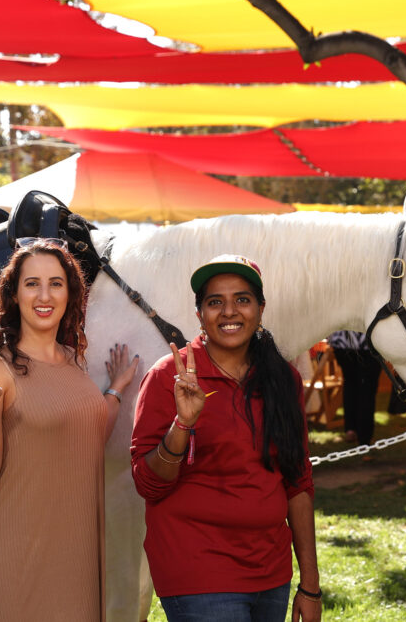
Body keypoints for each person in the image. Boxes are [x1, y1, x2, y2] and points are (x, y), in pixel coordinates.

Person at [131, 254, 322, 622]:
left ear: (261, 309)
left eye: (242, 299)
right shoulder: (169, 377)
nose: (229, 311)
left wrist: (310, 584)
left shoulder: (284, 379)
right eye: (215, 302)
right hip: (198, 570)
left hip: (271, 571)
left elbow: (298, 482)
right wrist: (182, 425)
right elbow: (149, 484)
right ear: (199, 313)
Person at [0, 238, 140, 621]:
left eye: (56, 283)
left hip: (75, 555)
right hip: (15, 554)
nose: (45, 295)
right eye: (31, 283)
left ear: (71, 293)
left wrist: (115, 390)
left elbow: (84, 432)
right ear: (14, 294)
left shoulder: (74, 359)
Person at [328, 330, 382, 444]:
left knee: (350, 385)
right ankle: (364, 436)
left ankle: (351, 429)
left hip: (343, 340)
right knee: (367, 389)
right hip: (367, 341)